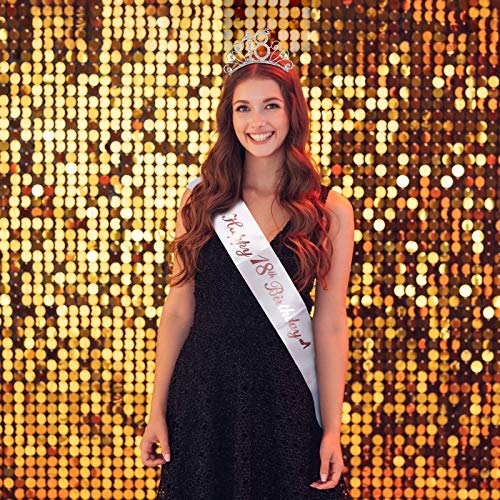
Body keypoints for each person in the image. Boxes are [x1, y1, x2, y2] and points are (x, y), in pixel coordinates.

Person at [140, 29, 354, 499]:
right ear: (229, 117)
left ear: (292, 111)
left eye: (270, 105)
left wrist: (332, 428)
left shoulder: (329, 209)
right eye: (243, 108)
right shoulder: (201, 201)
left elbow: (331, 323)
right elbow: (178, 311)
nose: (257, 121)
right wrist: (156, 409)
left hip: (286, 397)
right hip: (205, 395)